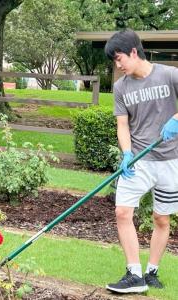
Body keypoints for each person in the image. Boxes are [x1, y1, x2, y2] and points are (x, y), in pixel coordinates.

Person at [104, 29, 178, 293]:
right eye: (114, 60)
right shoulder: (120, 87)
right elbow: (122, 125)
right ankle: (134, 274)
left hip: (171, 160)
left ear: (134, 52)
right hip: (139, 161)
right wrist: (127, 153)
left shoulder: (169, 75)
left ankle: (152, 271)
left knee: (161, 218)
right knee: (122, 211)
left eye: (119, 58)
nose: (118, 64)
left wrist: (176, 119)